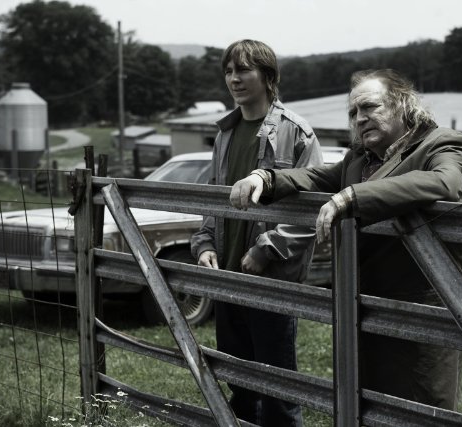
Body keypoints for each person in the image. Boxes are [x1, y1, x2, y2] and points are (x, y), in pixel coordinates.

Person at [230, 69, 462, 410]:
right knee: (364, 406)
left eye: (369, 107)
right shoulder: (359, 158)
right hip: (361, 307)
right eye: (353, 112)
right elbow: (315, 177)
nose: (359, 118)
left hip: (419, 312)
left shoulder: (443, 143)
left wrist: (353, 197)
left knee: (422, 408)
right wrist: (266, 178)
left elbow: (448, 183)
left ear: (403, 104)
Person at [190, 39, 323, 426]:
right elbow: (215, 197)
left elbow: (312, 208)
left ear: (268, 76)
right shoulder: (225, 133)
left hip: (271, 279)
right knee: (239, 383)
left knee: (278, 388)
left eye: (244, 70)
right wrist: (205, 243)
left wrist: (268, 248)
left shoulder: (296, 132)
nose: (234, 79)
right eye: (229, 71)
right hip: (227, 274)